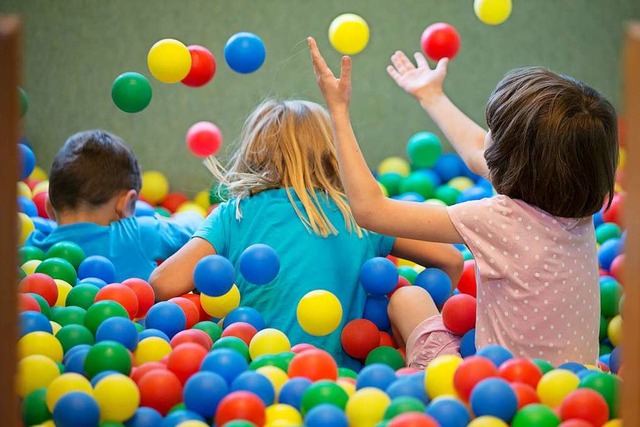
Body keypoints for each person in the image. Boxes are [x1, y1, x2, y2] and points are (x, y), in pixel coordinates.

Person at [308, 37, 618, 367]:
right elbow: (476, 151)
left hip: (498, 392)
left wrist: (338, 111)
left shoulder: (497, 219)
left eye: (492, 130)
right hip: (579, 387)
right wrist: (431, 95)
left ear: (510, 159)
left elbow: (370, 211)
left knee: (408, 298)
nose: (485, 138)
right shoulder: (579, 206)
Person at [150, 99, 463, 368]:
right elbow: (450, 259)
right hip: (344, 383)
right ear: (333, 153)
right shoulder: (360, 214)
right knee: (411, 295)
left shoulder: (233, 214)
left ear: (254, 153)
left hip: (253, 379)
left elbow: (162, 285)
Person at [26, 130, 201, 282]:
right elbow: (198, 228)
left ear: (49, 207)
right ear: (126, 204)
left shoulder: (33, 248)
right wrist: (175, 218)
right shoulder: (140, 233)